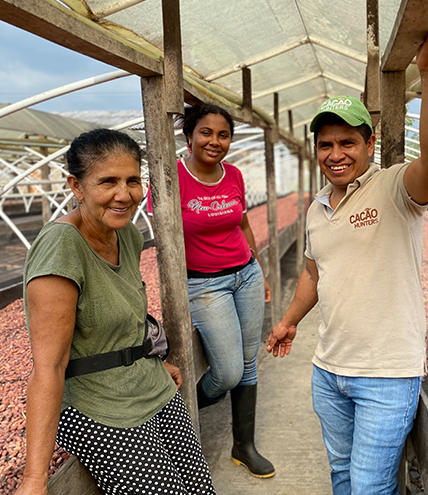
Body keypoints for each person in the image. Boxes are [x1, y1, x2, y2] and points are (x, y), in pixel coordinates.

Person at [266, 18, 428, 495]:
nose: (336, 154)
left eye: (348, 142)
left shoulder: (393, 189)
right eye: (325, 144)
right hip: (329, 370)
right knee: (344, 476)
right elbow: (313, 271)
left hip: (386, 374)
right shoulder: (316, 207)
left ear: (370, 143)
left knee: (370, 486)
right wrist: (289, 321)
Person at [17, 129, 216, 495]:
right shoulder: (61, 247)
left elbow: (126, 310)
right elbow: (49, 366)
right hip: (97, 402)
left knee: (200, 488)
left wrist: (149, 354)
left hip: (147, 382)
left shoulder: (127, 233)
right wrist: (34, 480)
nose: (124, 195)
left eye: (132, 181)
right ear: (76, 186)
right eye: (107, 181)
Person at [148, 104, 275, 478]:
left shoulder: (233, 174)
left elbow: (244, 225)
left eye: (223, 134)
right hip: (205, 284)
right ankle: (174, 418)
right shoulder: (172, 176)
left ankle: (244, 445)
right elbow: (165, 240)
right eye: (206, 132)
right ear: (189, 136)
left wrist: (260, 270)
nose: (214, 141)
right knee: (228, 371)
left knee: (249, 361)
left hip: (246, 274)